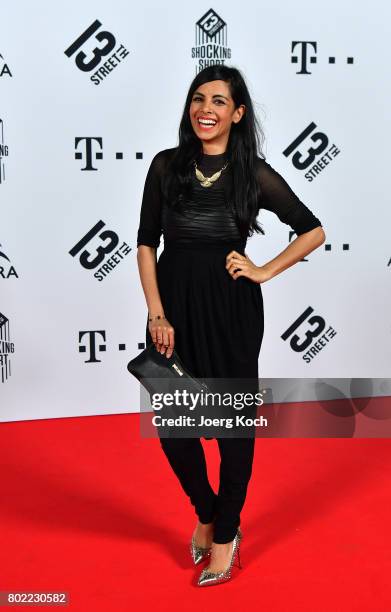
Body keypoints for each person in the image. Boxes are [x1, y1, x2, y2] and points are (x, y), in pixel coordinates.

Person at [136, 64, 325, 586]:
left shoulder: (252, 174)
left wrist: (262, 270)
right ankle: (206, 511)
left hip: (232, 312)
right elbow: (147, 241)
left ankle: (225, 535)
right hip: (171, 310)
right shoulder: (165, 166)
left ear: (237, 114)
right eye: (199, 99)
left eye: (219, 102)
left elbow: (312, 230)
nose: (206, 109)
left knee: (234, 431)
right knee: (175, 427)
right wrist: (156, 312)